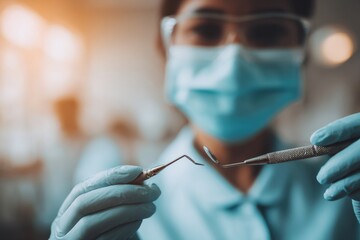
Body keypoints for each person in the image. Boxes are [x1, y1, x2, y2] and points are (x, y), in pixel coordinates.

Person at [50, 0, 360, 239]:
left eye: (267, 31)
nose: (235, 56)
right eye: (205, 29)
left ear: (301, 53)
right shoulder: (122, 209)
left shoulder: (346, 195)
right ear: (165, 47)